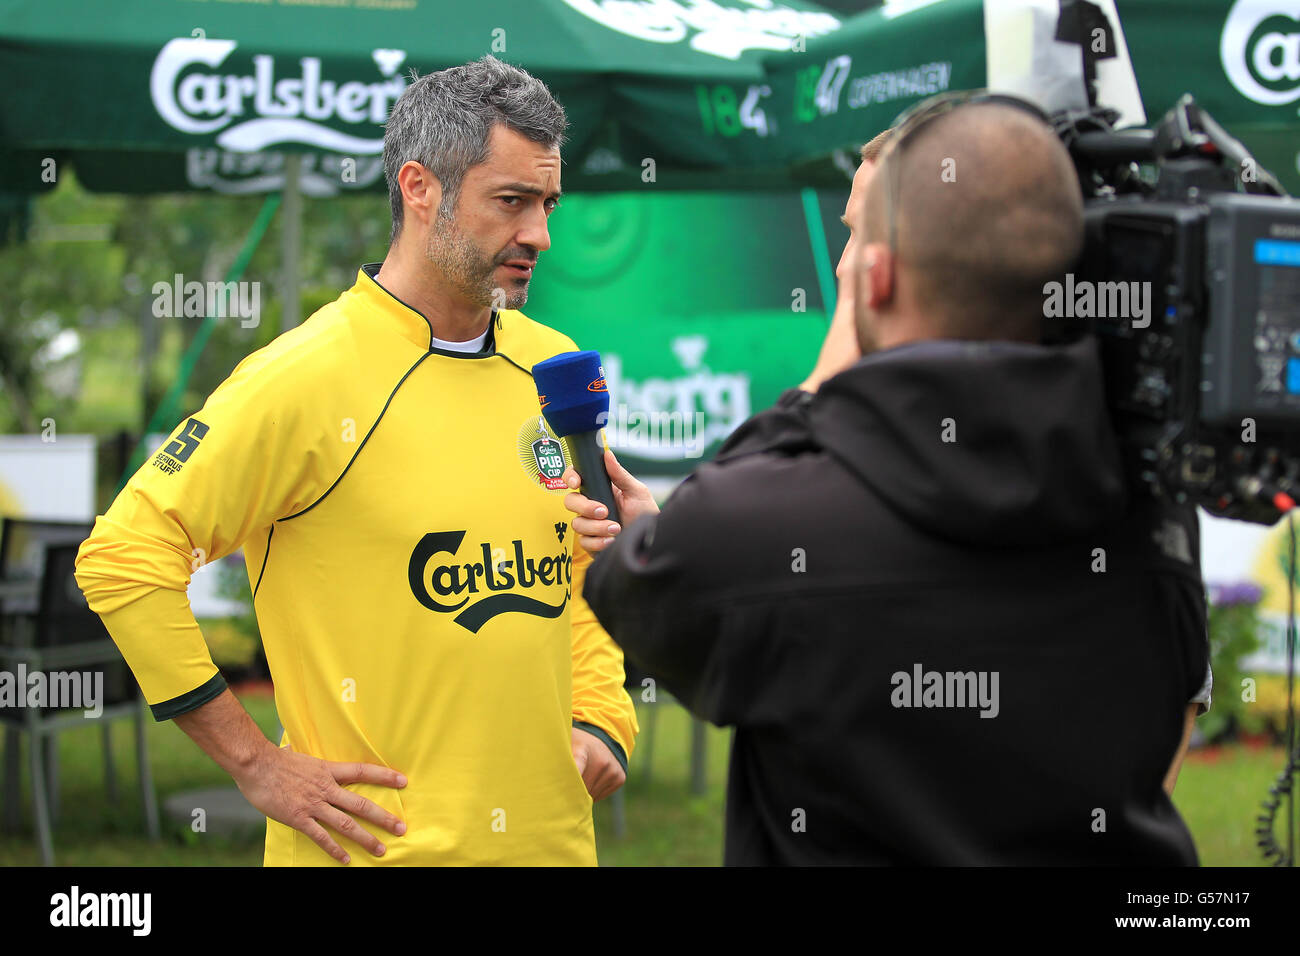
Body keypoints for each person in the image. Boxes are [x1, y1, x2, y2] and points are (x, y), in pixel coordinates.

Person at [563, 96, 1210, 865]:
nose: (840, 260)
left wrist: (825, 370)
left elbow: (647, 588)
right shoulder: (1146, 508)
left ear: (875, 277)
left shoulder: (770, 529)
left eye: (854, 242)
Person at [75, 56, 637, 867]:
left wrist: (600, 715)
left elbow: (586, 561)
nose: (539, 235)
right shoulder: (302, 378)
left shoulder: (554, 369)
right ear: (420, 189)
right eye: (511, 201)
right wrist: (255, 764)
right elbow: (124, 559)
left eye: (547, 203)